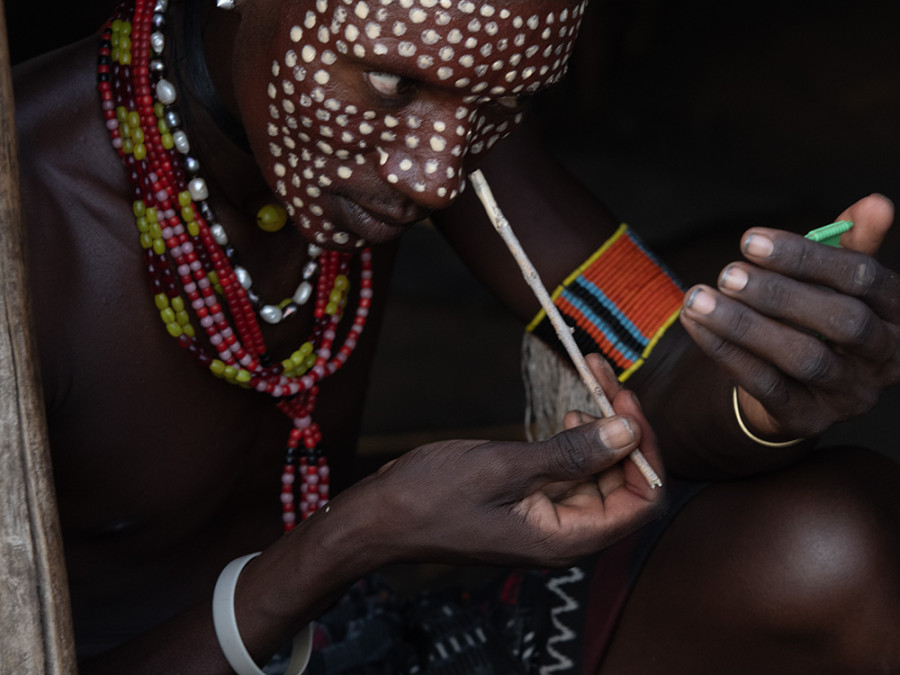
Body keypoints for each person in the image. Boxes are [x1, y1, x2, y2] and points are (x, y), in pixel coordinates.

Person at [12, 0, 900, 672]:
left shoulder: (452, 111)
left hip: (358, 637)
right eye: (391, 85)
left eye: (497, 104)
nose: (435, 177)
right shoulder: (29, 224)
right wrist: (352, 538)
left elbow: (658, 356)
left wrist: (765, 389)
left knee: (834, 541)